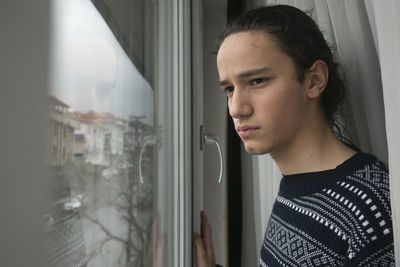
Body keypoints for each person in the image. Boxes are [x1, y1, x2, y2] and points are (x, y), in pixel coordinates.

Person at [193, 5, 395, 267]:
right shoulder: (296, 188)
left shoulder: (370, 208)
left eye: (257, 81)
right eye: (229, 89)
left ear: (314, 81)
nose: (235, 109)